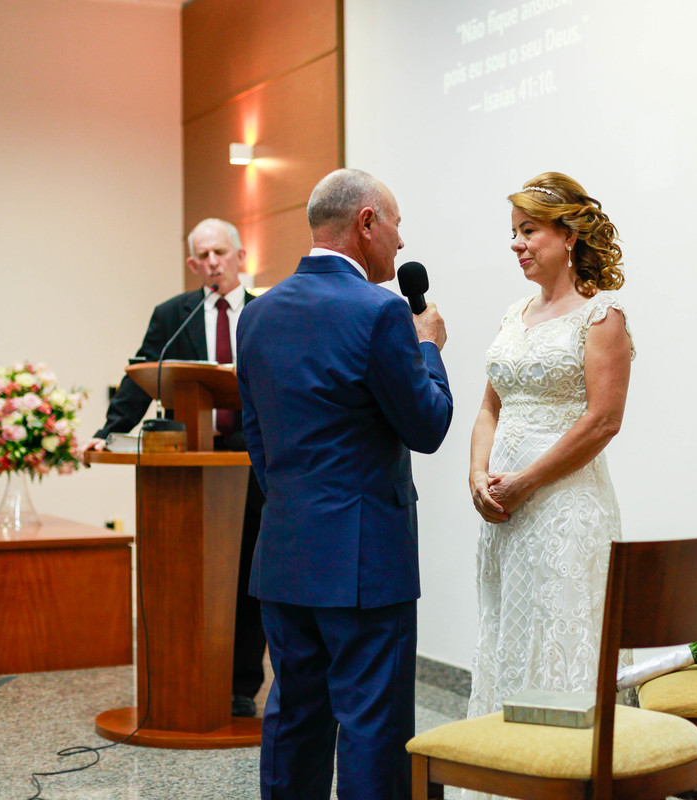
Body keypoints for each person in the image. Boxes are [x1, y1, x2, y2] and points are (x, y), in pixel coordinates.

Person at [236, 168, 452, 800]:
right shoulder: (382, 312)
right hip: (365, 560)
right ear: (366, 222)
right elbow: (428, 425)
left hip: (285, 550)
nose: (401, 242)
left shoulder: (258, 314)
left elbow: (258, 440)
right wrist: (429, 348)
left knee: (294, 717)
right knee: (372, 725)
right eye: (396, 225)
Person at [466, 172, 635, 726]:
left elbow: (603, 421)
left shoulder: (601, 316)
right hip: (505, 513)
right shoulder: (513, 316)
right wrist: (478, 474)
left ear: (569, 235)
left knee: (562, 632)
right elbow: (489, 409)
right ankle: (508, 758)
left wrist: (527, 481)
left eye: (529, 230)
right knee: (508, 630)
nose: (517, 244)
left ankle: (570, 761)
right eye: (514, 232)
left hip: (565, 510)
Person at [86, 218, 267, 718]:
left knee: (246, 575)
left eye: (220, 253)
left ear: (240, 256)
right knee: (191, 575)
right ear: (192, 264)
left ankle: (240, 686)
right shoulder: (174, 316)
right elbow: (142, 374)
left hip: (253, 461)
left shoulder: (265, 311)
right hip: (191, 463)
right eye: (202, 256)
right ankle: (183, 677)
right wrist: (108, 430)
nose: (212, 262)